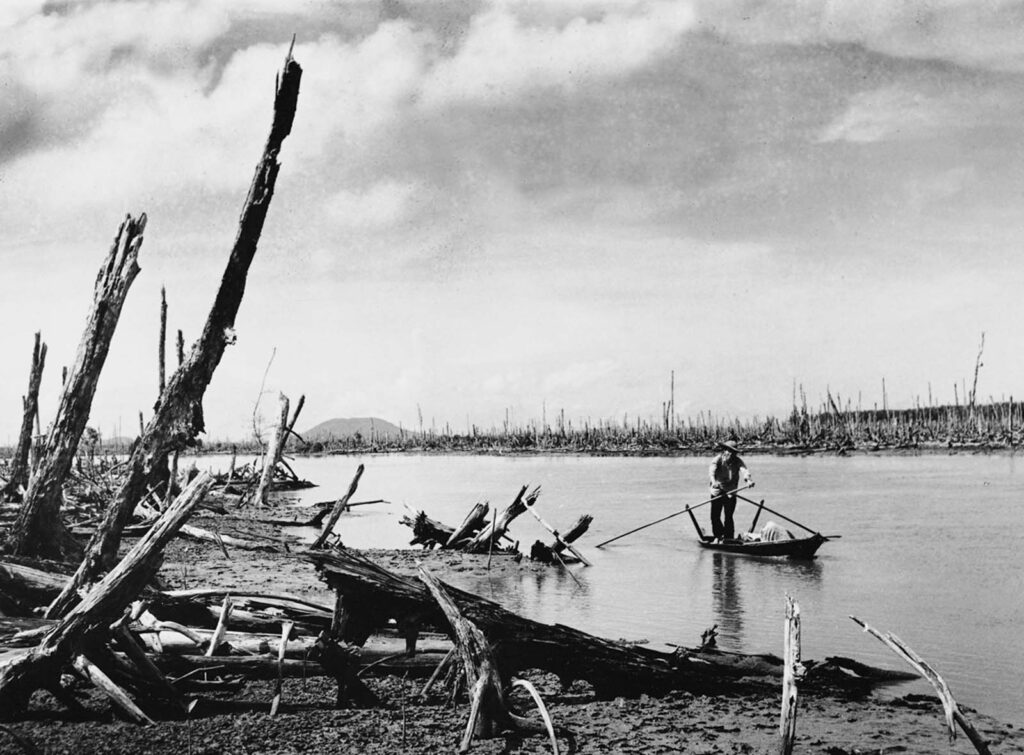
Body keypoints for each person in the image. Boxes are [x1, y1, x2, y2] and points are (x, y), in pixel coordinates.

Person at [708, 440, 752, 541]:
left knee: (729, 516)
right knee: (715, 516)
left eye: (734, 452)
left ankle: (728, 538)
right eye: (730, 451)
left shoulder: (737, 461)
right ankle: (718, 536)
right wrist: (714, 482)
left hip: (730, 491)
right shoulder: (717, 459)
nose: (731, 454)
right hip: (717, 491)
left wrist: (748, 480)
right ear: (724, 451)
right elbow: (711, 472)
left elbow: (744, 470)